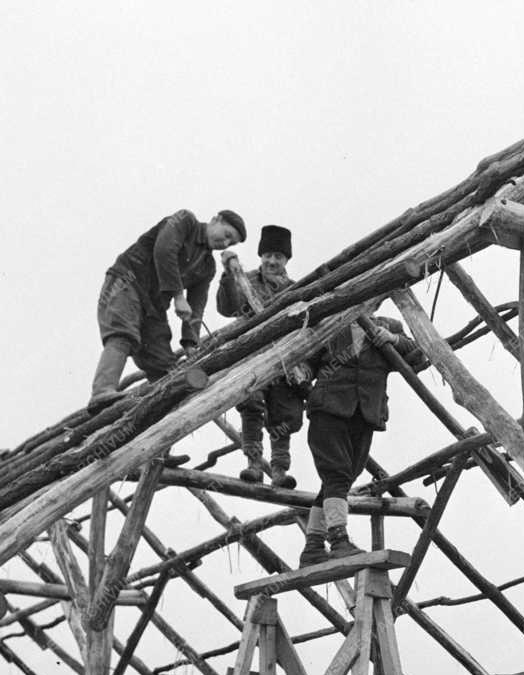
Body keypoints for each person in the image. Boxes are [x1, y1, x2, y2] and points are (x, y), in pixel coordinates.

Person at [298, 309, 425, 566]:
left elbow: (418, 357)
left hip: (365, 414)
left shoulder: (389, 325)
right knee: (337, 475)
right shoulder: (331, 323)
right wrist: (300, 371)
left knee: (340, 480)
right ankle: (338, 539)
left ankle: (312, 547)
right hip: (329, 408)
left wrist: (394, 340)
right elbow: (306, 361)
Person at [88, 209, 246, 413]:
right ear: (216, 220)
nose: (225, 244)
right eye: (226, 235)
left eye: (230, 243)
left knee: (164, 365)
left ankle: (150, 421)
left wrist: (191, 343)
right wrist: (178, 296)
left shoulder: (207, 266)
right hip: (128, 281)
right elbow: (164, 250)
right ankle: (102, 392)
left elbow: (197, 305)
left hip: (154, 306)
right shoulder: (185, 221)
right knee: (123, 334)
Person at [216, 224, 308, 488]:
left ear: (286, 260)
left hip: (285, 359)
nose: (271, 261)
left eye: (278, 256)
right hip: (252, 355)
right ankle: (254, 464)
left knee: (284, 413)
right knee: (252, 405)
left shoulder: (295, 289)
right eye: (267, 254)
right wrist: (228, 277)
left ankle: (279, 470)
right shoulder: (245, 281)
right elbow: (227, 307)